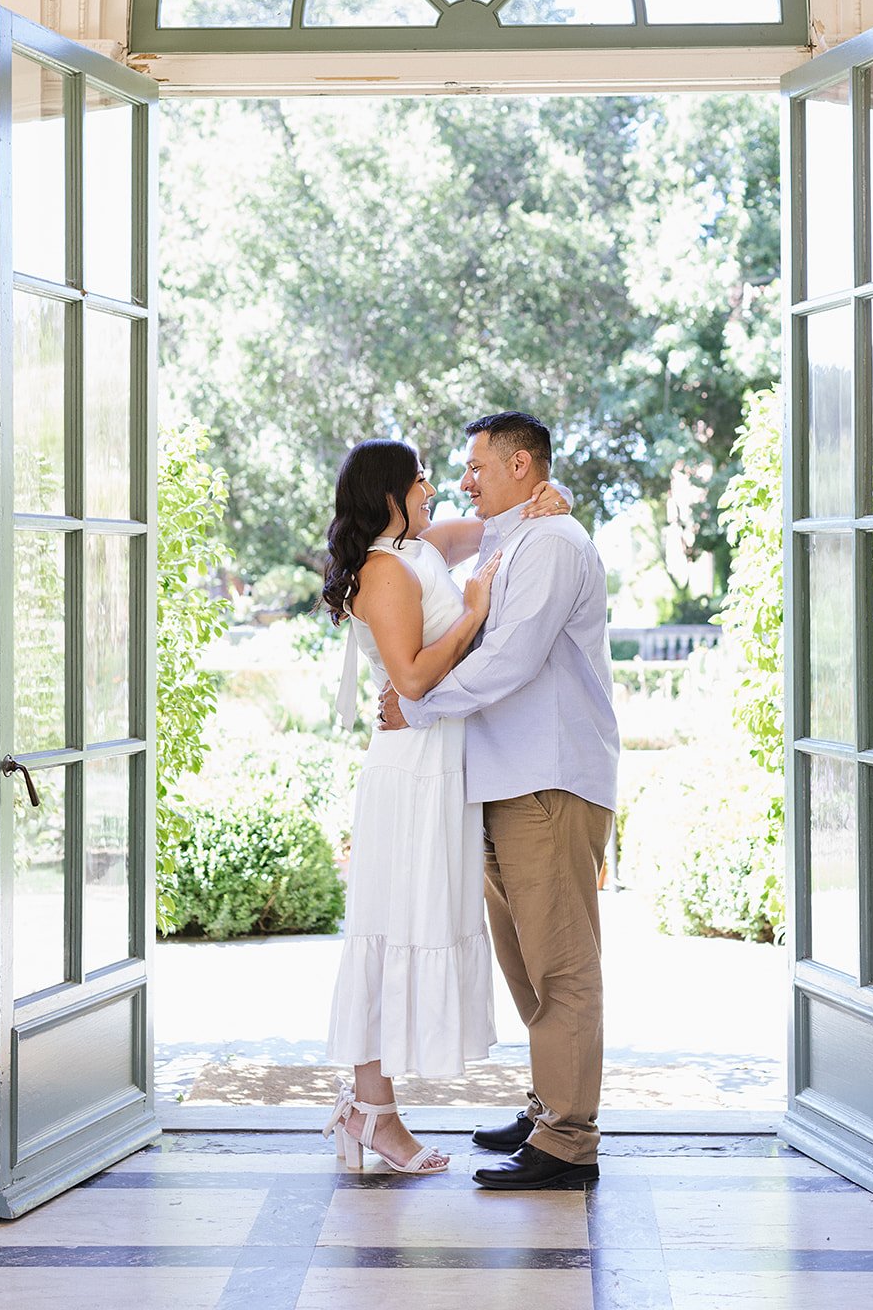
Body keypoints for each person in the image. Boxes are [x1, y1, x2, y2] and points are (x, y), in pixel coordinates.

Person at [379, 411, 619, 1192]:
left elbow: (511, 659)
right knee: (527, 962)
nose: (464, 479)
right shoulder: (509, 536)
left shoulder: (551, 542)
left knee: (562, 967)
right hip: (501, 781)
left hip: (545, 780)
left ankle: (567, 1140)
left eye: (478, 466)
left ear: (522, 466)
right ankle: (550, 1104)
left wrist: (415, 707)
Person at [320, 436, 569, 1175]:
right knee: (388, 933)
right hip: (411, 774)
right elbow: (415, 681)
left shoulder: (420, 547)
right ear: (391, 491)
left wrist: (549, 502)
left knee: (403, 930)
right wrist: (473, 610)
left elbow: (495, 525)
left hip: (439, 768)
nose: (437, 490)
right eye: (423, 479)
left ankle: (369, 1112)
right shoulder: (385, 569)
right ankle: (376, 1116)